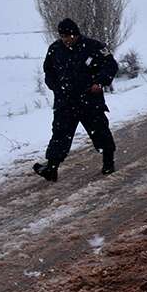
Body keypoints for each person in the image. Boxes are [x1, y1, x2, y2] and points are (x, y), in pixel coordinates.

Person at [32, 18, 119, 182]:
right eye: (63, 36)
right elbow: (48, 72)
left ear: (76, 34)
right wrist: (56, 88)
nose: (66, 40)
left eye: (69, 36)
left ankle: (108, 162)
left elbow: (111, 65)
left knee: (100, 132)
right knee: (59, 134)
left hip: (90, 100)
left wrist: (100, 82)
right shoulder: (55, 49)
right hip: (65, 102)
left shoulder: (94, 47)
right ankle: (51, 168)